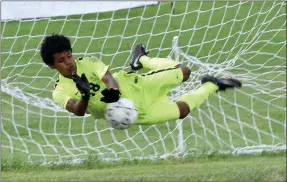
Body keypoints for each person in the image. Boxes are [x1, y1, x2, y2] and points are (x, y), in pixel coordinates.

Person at [40, 33, 242, 126]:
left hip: (137, 87)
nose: (69, 62)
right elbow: (77, 111)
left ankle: (141, 59)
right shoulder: (59, 91)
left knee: (184, 72)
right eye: (61, 60)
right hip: (133, 112)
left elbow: (109, 79)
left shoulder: (88, 61)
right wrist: (84, 96)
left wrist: (113, 92)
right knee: (183, 111)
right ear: (52, 65)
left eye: (69, 56)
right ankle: (212, 85)